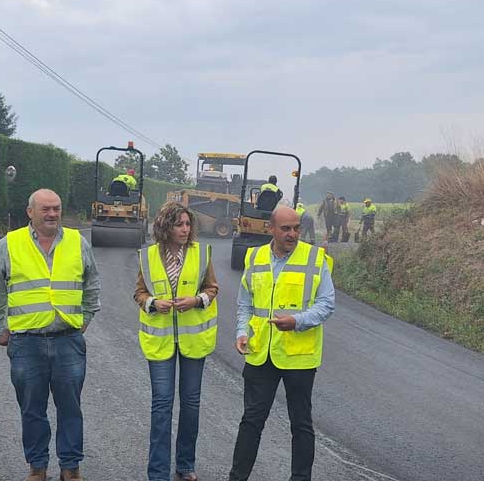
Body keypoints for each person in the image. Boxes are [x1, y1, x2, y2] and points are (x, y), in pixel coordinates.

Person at [0, 189, 101, 481]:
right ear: (30, 212)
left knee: (70, 408)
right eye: (45, 209)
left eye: (57, 208)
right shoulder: (9, 244)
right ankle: (37, 467)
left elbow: (92, 283)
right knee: (32, 409)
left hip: (68, 340)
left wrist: (84, 320)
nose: (52, 214)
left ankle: (70, 468)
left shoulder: (77, 242)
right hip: (26, 342)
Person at [229, 205, 335, 481]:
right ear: (271, 229)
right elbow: (245, 303)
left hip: (298, 356)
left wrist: (297, 321)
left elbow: (326, 304)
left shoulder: (315, 258)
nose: (293, 234)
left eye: (297, 228)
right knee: (251, 421)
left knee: (301, 425)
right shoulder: (254, 257)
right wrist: (242, 332)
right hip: (260, 353)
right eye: (286, 228)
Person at [133, 201, 219, 481]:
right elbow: (139, 294)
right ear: (165, 226)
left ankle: (185, 465)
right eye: (178, 224)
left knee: (191, 405)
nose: (185, 229)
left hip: (193, 342)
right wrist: (153, 303)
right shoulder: (147, 257)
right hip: (161, 343)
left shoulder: (201, 253)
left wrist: (196, 300)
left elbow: (212, 288)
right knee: (162, 405)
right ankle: (157, 473)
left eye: (187, 224)